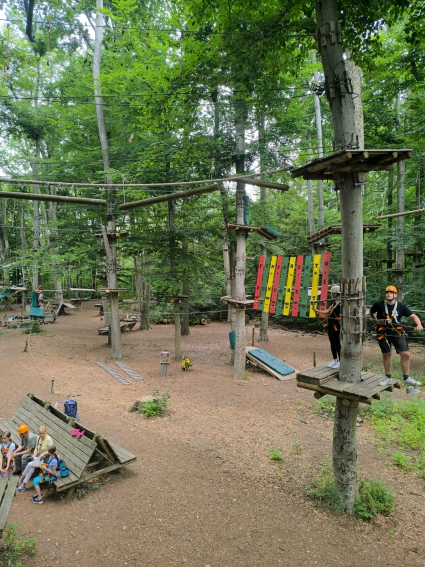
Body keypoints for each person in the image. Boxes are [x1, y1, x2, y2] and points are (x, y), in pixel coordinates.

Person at [370, 285, 423, 388]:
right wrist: (376, 322)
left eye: (391, 292)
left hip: (397, 333)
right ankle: (388, 377)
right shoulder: (379, 304)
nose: (388, 294)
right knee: (386, 354)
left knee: (405, 353)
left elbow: (413, 316)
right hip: (383, 332)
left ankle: (407, 378)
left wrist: (419, 325)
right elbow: (371, 312)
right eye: (387, 292)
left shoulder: (401, 306)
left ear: (396, 295)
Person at [16, 426, 53, 492]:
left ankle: (22, 479)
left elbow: (51, 451)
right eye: (39, 433)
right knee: (31, 468)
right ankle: (23, 484)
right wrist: (34, 454)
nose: (41, 435)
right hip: (39, 457)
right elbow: (36, 448)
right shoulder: (39, 438)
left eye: (42, 433)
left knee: (30, 464)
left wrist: (43, 454)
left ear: (45, 432)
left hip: (46, 459)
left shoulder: (49, 439)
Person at [313, 285, 341, 369]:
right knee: (331, 341)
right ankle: (334, 359)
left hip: (337, 323)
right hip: (330, 322)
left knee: (336, 342)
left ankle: (340, 361)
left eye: (332, 293)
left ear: (336, 293)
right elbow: (328, 311)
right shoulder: (333, 301)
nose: (331, 294)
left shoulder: (342, 303)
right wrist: (318, 311)